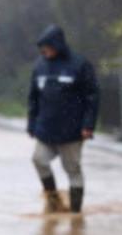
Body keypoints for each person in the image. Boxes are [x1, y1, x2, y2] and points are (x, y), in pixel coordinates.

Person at [27, 25, 100, 213]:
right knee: (38, 160)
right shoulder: (39, 67)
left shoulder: (79, 65)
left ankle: (75, 214)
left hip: (72, 131)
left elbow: (92, 97)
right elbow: (33, 97)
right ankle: (54, 202)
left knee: (72, 170)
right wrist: (31, 123)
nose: (44, 51)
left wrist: (88, 125)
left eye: (47, 47)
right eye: (42, 48)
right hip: (45, 130)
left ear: (57, 45)